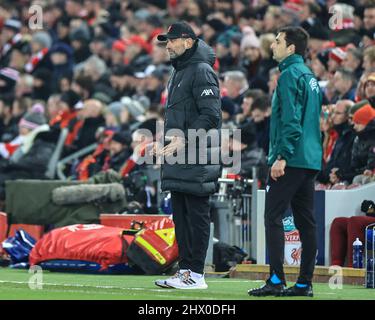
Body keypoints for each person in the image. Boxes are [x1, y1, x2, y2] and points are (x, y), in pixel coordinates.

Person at [248, 26, 322, 297]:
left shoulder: (289, 75)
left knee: (273, 216)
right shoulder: (309, 76)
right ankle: (304, 283)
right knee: (306, 221)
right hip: (310, 158)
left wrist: (282, 156)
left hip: (291, 158)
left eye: (277, 41)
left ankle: (277, 280)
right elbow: (313, 120)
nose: (272, 46)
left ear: (291, 48)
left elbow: (291, 122)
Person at [153, 22, 221, 289]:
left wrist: (184, 139)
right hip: (181, 155)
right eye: (166, 41)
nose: (167, 45)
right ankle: (185, 271)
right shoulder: (180, 71)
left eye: (172, 40)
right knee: (180, 216)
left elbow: (211, 115)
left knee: (196, 214)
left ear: (189, 42)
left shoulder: (201, 70)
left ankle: (196, 274)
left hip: (198, 155)